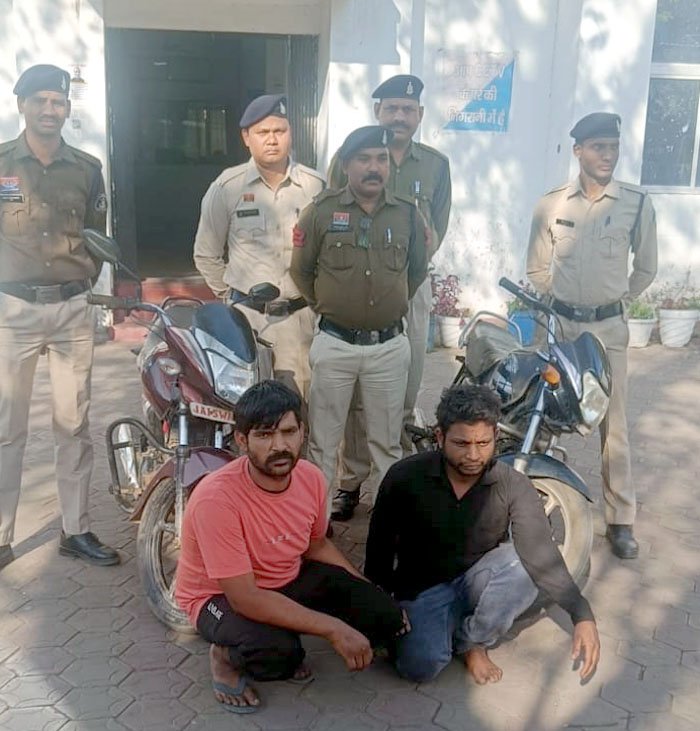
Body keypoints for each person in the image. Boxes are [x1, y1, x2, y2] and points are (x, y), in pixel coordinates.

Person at [174, 380, 405, 714]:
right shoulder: (216, 499)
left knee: (385, 615)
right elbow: (244, 598)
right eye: (264, 435)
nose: (279, 446)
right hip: (219, 597)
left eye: (288, 432)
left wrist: (365, 587)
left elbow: (316, 545)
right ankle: (223, 656)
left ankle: (286, 623)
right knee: (278, 654)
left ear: (302, 433)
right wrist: (333, 628)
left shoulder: (311, 478)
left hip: (286, 576)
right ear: (242, 440)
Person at [365, 384, 600, 685]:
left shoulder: (512, 484)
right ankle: (441, 628)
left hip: (479, 581)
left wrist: (582, 615)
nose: (473, 455)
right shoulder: (404, 477)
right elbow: (379, 551)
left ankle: (471, 641)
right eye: (461, 443)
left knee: (523, 567)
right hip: (422, 590)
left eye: (483, 442)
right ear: (439, 436)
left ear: (495, 437)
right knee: (420, 666)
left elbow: (541, 554)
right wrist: (379, 613)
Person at [0, 64, 119, 569]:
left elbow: (96, 234)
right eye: (41, 101)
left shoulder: (87, 167)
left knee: (73, 423)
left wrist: (81, 286)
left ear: (68, 108)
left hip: (72, 309)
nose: (50, 110)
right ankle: (1, 537)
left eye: (58, 102)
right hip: (14, 310)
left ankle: (75, 529)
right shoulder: (2, 163)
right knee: (8, 427)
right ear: (21, 104)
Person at [526, 112, 657, 559]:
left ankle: (620, 519)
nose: (608, 155)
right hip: (561, 326)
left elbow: (646, 268)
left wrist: (615, 300)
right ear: (578, 150)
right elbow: (536, 267)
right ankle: (532, 500)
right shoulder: (551, 205)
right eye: (599, 147)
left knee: (612, 423)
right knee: (544, 412)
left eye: (613, 148)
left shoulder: (636, 203)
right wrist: (560, 301)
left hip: (608, 330)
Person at [328, 74, 452, 522]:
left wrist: (406, 272)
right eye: (392, 108)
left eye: (408, 110)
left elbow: (437, 230)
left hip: (410, 290)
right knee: (355, 396)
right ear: (377, 111)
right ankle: (349, 482)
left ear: (420, 115)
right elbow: (331, 213)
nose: (400, 116)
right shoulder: (350, 157)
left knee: (404, 387)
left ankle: (393, 484)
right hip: (355, 286)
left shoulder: (435, 165)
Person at [290, 125, 428, 509]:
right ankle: (316, 525)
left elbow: (416, 271)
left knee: (387, 444)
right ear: (347, 165)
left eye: (381, 159)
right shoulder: (320, 211)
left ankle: (389, 528)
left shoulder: (407, 215)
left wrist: (386, 305)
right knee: (322, 443)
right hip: (334, 344)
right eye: (364, 159)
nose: (374, 168)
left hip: (388, 347)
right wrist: (332, 306)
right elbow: (301, 270)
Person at [193, 94, 324, 397]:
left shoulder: (314, 186)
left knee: (301, 408)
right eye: (263, 132)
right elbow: (206, 254)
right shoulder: (227, 187)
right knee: (247, 407)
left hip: (301, 322)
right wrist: (232, 297)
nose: (272, 140)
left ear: (291, 133)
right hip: (248, 322)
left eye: (280, 131)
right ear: (246, 138)